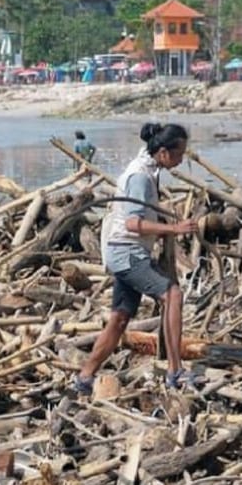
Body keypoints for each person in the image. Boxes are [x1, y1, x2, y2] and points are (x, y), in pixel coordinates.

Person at [75, 123, 199, 395]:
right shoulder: (140, 177)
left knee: (120, 319)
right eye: (179, 154)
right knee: (173, 295)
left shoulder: (147, 171)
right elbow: (133, 224)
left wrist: (162, 223)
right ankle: (175, 371)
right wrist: (174, 229)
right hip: (127, 252)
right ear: (163, 153)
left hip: (126, 252)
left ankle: (84, 378)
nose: (181, 160)